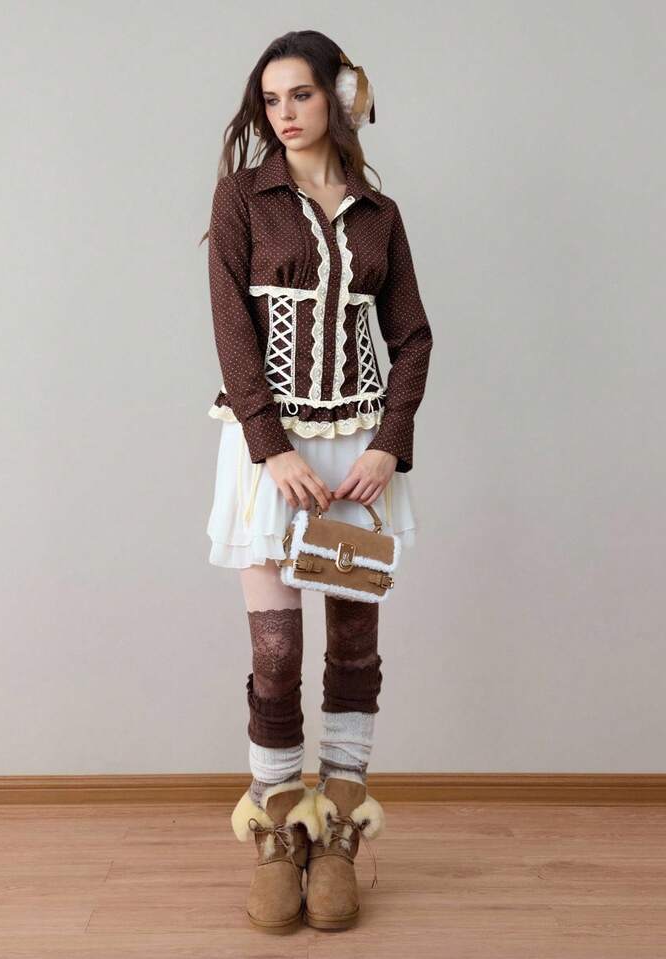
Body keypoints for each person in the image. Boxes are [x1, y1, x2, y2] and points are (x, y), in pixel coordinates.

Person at [201, 29, 434, 933]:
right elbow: (231, 327)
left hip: (358, 454)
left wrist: (389, 444)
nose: (284, 114)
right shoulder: (242, 199)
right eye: (271, 99)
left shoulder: (380, 213)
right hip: (272, 453)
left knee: (353, 647)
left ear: (341, 96)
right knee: (275, 651)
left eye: (299, 94)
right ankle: (275, 831)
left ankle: (336, 830)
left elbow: (412, 335)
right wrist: (272, 447)